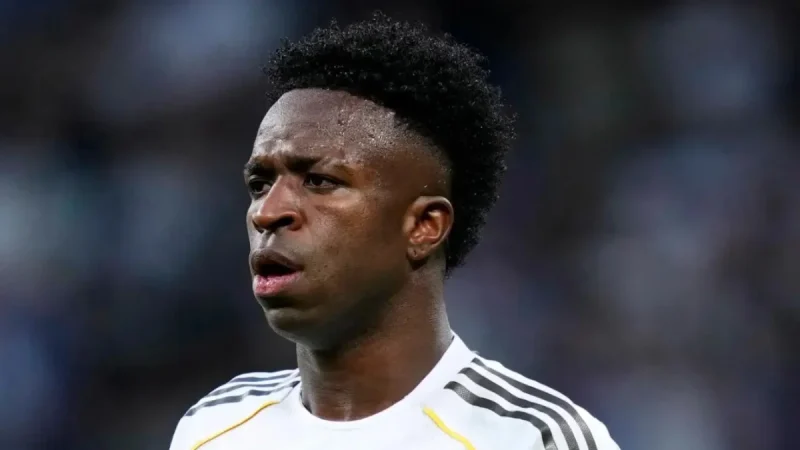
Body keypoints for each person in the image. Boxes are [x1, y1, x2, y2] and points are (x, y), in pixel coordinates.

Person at [168, 12, 620, 450]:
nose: (267, 213)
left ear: (424, 226)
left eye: (320, 181)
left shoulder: (532, 438)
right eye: (259, 184)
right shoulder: (212, 428)